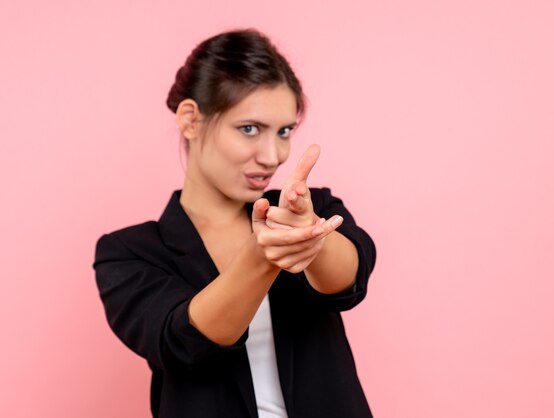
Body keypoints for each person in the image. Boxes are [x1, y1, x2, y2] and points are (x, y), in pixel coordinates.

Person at [92, 28, 376, 418]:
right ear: (190, 119)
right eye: (249, 129)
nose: (272, 155)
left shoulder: (307, 207)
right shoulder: (128, 253)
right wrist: (263, 256)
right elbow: (185, 342)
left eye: (284, 132)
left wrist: (312, 236)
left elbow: (348, 282)